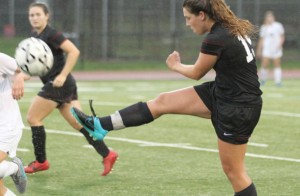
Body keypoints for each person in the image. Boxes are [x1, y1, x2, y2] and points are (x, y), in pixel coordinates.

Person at [72, 0, 262, 195]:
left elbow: (197, 72)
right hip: (225, 93)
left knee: (234, 172)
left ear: (202, 15)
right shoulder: (230, 28)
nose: (187, 23)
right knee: (163, 102)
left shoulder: (216, 38)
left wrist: (175, 66)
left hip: (238, 106)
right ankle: (101, 125)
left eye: (188, 18)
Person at [24, 2, 118, 176]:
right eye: (31, 15)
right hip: (63, 85)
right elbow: (35, 66)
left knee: (33, 117)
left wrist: (62, 75)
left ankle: (41, 161)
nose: (34, 18)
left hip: (59, 84)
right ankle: (107, 154)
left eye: (38, 14)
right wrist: (21, 76)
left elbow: (74, 51)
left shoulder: (52, 34)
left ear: (47, 16)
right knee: (78, 123)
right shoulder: (35, 36)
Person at [0, 52, 29, 195]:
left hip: (6, 125)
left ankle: (13, 168)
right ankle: (13, 168)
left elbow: (29, 69)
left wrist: (20, 76)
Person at [256, 11, 285, 86]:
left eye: (271, 16)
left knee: (277, 64)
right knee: (264, 64)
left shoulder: (278, 25)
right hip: (267, 49)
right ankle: (263, 80)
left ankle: (278, 82)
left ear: (273, 17)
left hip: (276, 49)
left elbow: (282, 36)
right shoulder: (264, 27)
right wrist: (259, 49)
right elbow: (261, 39)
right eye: (268, 17)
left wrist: (280, 45)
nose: (269, 18)